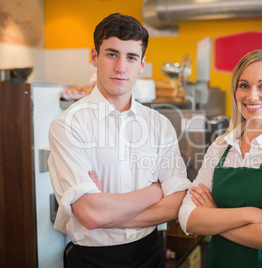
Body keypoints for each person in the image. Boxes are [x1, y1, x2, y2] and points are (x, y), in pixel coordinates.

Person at [48, 13, 191, 268]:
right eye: (112, 54)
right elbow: (90, 214)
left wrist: (108, 213)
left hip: (150, 255)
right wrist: (156, 190)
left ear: (142, 63)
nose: (121, 67)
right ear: (94, 56)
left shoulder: (159, 125)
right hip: (92, 260)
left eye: (131, 57)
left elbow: (179, 201)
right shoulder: (68, 126)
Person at [178, 49, 262, 267]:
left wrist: (215, 217)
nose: (252, 96)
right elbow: (187, 218)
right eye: (244, 85)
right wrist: (250, 214)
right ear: (235, 91)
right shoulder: (220, 146)